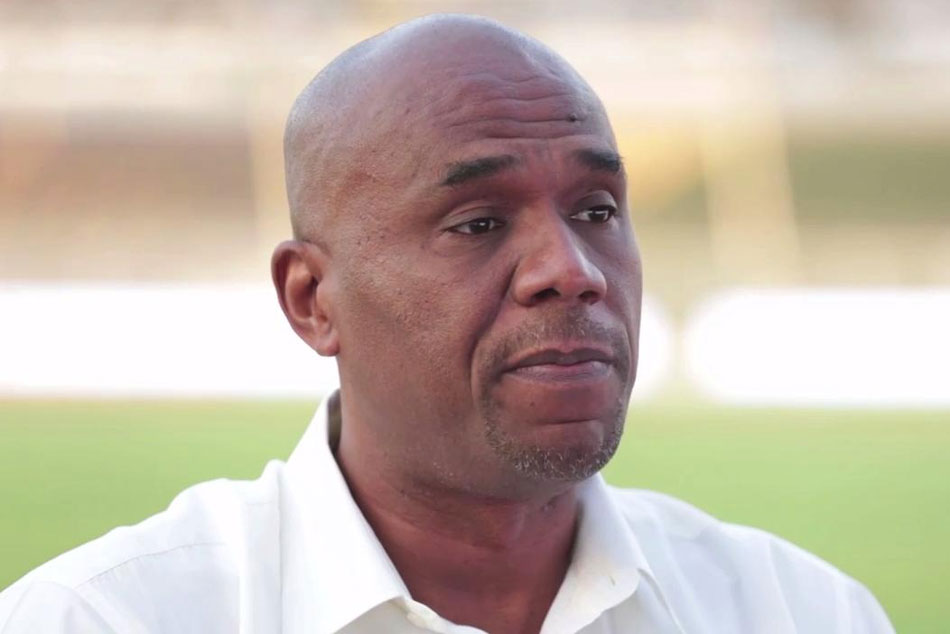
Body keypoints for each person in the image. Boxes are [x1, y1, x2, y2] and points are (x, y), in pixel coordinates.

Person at [0, 14, 894, 634]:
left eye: (596, 211)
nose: (572, 272)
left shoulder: (804, 613)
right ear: (312, 299)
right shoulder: (104, 618)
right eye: (478, 224)